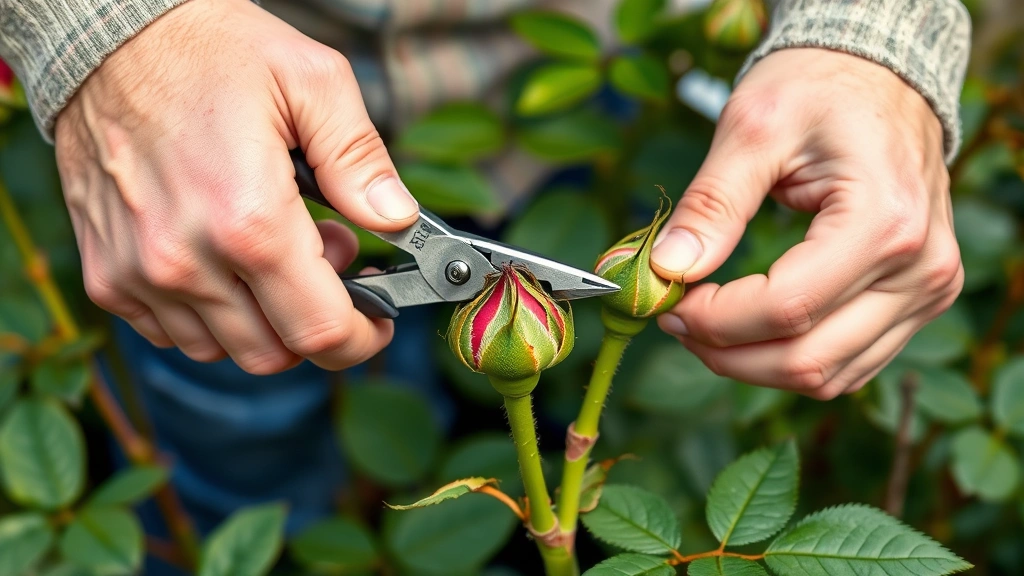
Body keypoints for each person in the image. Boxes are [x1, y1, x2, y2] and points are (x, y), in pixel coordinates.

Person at [0, 0, 969, 548]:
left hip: (593, 94)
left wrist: (873, 37)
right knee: (229, 459)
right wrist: (102, 33)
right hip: (203, 157)